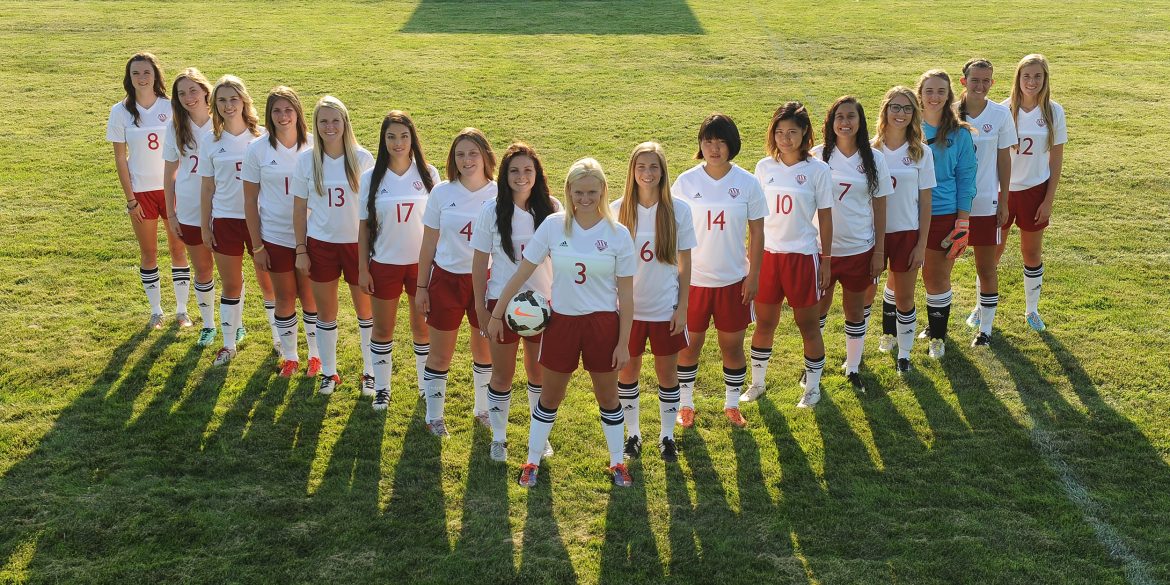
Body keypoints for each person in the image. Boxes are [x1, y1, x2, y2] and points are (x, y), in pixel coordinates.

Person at [487, 158, 636, 488]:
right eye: (579, 192)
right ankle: (532, 460)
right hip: (562, 324)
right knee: (549, 396)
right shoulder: (554, 225)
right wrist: (497, 313)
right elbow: (522, 272)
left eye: (592, 192)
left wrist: (623, 341)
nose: (585, 199)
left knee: (608, 398)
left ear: (602, 191)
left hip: (602, 325)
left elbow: (626, 296)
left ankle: (617, 463)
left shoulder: (618, 234)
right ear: (568, 191)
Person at [671, 114, 766, 428]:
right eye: (708, 141)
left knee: (732, 346)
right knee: (689, 346)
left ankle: (731, 404)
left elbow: (757, 233)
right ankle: (685, 405)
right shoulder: (685, 182)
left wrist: (753, 276)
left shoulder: (747, 182)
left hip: (733, 281)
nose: (714, 148)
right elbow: (672, 232)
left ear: (732, 145)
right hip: (694, 282)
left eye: (721, 141)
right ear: (700, 144)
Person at [472, 142, 559, 460]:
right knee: (502, 375)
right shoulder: (491, 211)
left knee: (539, 375)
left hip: (542, 306)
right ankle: (499, 437)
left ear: (537, 174)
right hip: (502, 306)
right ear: (504, 176)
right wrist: (482, 307)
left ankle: (540, 438)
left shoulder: (551, 208)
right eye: (514, 171)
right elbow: (480, 261)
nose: (521, 176)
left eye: (527, 170)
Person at [743, 102, 834, 408]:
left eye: (792, 132)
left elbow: (826, 218)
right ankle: (757, 383)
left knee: (807, 324)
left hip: (802, 256)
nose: (785, 138)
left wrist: (826, 259)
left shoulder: (818, 170)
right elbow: (755, 218)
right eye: (780, 132)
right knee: (764, 323)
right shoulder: (763, 167)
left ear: (804, 133)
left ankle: (813, 387)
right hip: (769, 256)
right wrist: (751, 258)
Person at [611, 142, 695, 461]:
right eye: (641, 167)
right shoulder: (619, 209)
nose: (647, 173)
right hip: (627, 313)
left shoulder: (679, 210)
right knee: (627, 374)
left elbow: (686, 265)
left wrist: (682, 307)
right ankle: (633, 435)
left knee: (667, 375)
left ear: (663, 172)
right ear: (632, 171)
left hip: (664, 309)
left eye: (654, 167)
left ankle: (667, 436)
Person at [291, 96, 376, 394]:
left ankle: (370, 372)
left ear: (345, 123)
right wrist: (301, 249)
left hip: (356, 245)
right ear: (315, 124)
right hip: (321, 244)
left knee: (366, 312)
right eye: (323, 121)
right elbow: (299, 208)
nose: (329, 127)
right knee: (326, 312)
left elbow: (374, 209)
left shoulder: (362, 158)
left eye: (335, 120)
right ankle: (329, 371)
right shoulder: (306, 159)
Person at [416, 129, 497, 437]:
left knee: (485, 350)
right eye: (460, 154)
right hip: (447, 280)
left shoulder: (499, 194)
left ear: (486, 157)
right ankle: (434, 416)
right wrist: (422, 287)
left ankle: (483, 409)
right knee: (440, 353)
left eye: (473, 153)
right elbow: (428, 245)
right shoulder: (441, 193)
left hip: (487, 282)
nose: (467, 160)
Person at [357, 110, 439, 410]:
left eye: (404, 136)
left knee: (422, 328)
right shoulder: (371, 178)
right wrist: (363, 268)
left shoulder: (429, 174)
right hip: (385, 264)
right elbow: (364, 227)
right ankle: (382, 388)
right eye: (391, 136)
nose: (398, 142)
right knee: (382, 329)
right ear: (383, 140)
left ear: (412, 139)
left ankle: (424, 386)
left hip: (421, 267)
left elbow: (437, 227)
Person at [812, 96, 893, 393]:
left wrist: (879, 251)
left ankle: (854, 367)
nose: (845, 122)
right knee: (818, 308)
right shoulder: (818, 156)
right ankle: (813, 365)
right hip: (821, 250)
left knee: (855, 310)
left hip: (860, 248)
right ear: (831, 122)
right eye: (839, 117)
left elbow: (881, 207)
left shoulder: (874, 159)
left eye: (851, 117)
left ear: (860, 122)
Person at [242, 86, 320, 377]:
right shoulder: (257, 149)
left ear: (298, 112)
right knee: (285, 297)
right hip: (274, 235)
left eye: (289, 109)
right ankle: (290, 357)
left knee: (311, 298)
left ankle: (315, 356)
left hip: (311, 236)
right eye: (277, 110)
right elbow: (249, 200)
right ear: (269, 115)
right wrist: (257, 245)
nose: (283, 116)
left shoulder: (315, 146)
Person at [107, 52, 187, 329]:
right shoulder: (120, 111)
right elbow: (120, 157)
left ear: (156, 76)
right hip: (141, 192)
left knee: (179, 249)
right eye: (136, 73)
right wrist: (131, 200)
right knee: (149, 252)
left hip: (173, 189)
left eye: (146, 72)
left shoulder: (172, 107)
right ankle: (156, 311)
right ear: (129, 79)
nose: (142, 78)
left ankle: (182, 310)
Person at [198, 75, 268, 366]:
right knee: (231, 284)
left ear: (244, 101)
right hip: (225, 219)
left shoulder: (262, 137)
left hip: (261, 221)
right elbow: (207, 187)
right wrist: (205, 226)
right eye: (222, 100)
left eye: (233, 99)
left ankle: (279, 339)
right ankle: (228, 345)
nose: (228, 105)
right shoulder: (209, 140)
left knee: (268, 283)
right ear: (214, 105)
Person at [998, 54, 1067, 332]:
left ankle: (1032, 310)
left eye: (1037, 76)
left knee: (1031, 252)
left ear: (1045, 79)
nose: (1031, 81)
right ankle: (981, 306)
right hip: (1003, 191)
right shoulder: (1003, 110)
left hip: (1035, 191)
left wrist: (1048, 200)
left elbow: (1056, 160)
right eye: (1026, 76)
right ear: (1018, 78)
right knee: (992, 252)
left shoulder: (1053, 111)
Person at [868, 87, 935, 373]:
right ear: (885, 110)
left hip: (906, 233)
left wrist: (921, 244)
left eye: (907, 109)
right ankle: (858, 354)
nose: (901, 114)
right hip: (871, 235)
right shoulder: (869, 151)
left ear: (915, 114)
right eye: (895, 107)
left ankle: (904, 354)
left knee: (905, 296)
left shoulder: (921, 152)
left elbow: (926, 203)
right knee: (864, 297)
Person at [917, 69, 977, 358]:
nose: (935, 96)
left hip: (943, 214)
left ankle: (937, 335)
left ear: (949, 95)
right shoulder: (905, 127)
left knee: (936, 276)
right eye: (929, 90)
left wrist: (962, 221)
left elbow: (967, 178)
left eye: (941, 91)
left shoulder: (960, 134)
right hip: (906, 214)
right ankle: (891, 333)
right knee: (900, 273)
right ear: (920, 94)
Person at [958, 59, 1017, 346]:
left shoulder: (1001, 113)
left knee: (986, 266)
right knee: (938, 269)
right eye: (974, 80)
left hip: (985, 203)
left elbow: (1004, 158)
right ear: (963, 81)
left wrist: (1004, 198)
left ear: (992, 83)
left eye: (986, 81)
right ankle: (936, 326)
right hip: (951, 204)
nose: (980, 85)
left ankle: (986, 329)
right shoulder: (949, 113)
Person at [162, 67, 216, 344]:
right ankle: (209, 325)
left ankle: (236, 324)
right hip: (190, 208)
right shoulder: (175, 127)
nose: (188, 97)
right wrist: (171, 213)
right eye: (181, 93)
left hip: (224, 207)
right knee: (202, 268)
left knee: (232, 270)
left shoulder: (222, 121)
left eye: (193, 90)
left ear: (206, 91)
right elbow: (169, 172)